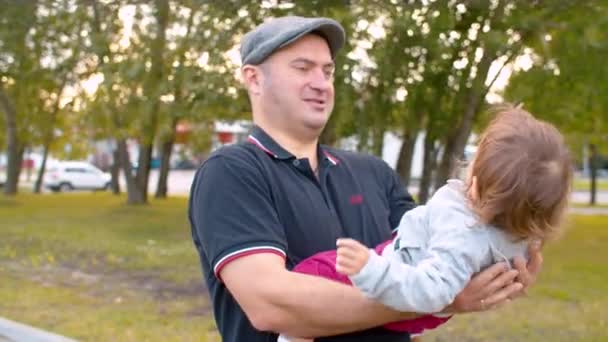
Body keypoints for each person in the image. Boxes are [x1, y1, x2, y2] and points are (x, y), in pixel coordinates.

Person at [189, 16, 542, 342]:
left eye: (327, 71)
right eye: (303, 68)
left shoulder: (373, 172)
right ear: (254, 78)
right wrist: (435, 298)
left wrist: (503, 259)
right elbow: (271, 305)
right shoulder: (231, 172)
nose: (321, 83)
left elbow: (436, 258)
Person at [280, 107, 571, 341]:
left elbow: (430, 290)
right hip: (415, 276)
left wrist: (371, 270)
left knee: (311, 276)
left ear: (478, 184)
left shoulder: (463, 231)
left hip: (398, 273)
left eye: (476, 156)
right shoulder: (517, 236)